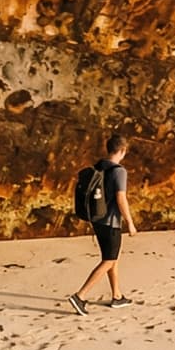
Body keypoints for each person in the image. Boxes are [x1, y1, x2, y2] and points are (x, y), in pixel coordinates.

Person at [67, 132, 136, 313]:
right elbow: (121, 198)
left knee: (113, 258)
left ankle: (117, 296)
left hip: (98, 220)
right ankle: (80, 296)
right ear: (122, 151)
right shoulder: (119, 171)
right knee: (109, 259)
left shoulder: (99, 166)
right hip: (111, 222)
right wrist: (130, 222)